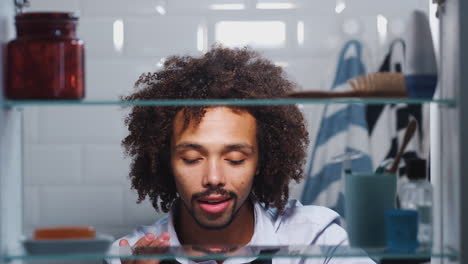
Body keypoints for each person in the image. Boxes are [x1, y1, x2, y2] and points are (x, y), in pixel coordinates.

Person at [109, 46, 369, 264]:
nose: (213, 178)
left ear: (260, 161)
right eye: (191, 158)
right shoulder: (130, 255)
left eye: (235, 159)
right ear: (167, 161)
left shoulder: (317, 239)